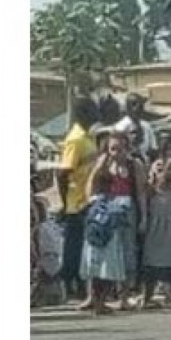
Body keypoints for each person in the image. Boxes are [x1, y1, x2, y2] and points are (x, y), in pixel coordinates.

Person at [78, 130, 147, 313]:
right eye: (113, 149)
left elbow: (140, 192)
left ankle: (124, 296)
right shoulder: (103, 165)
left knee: (126, 252)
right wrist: (97, 169)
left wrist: (143, 217)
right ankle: (92, 296)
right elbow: (89, 191)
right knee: (96, 252)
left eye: (122, 148)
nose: (118, 153)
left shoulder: (135, 165)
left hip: (126, 210)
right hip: (104, 210)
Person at [55, 96, 99, 301]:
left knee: (84, 248)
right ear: (83, 113)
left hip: (88, 200)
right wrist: (65, 203)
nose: (96, 114)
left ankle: (83, 287)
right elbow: (63, 173)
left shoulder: (88, 138)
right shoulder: (75, 139)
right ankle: (70, 286)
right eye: (92, 110)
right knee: (74, 248)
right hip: (76, 203)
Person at [138, 145, 171, 308]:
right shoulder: (150, 190)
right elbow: (143, 207)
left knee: (170, 263)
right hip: (153, 230)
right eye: (169, 168)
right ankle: (147, 297)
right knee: (150, 263)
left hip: (170, 232)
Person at [116, 92, 158, 161]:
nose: (138, 107)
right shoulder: (120, 128)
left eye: (141, 105)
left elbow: (153, 148)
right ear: (127, 108)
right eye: (134, 104)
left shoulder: (146, 126)